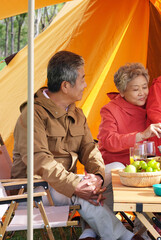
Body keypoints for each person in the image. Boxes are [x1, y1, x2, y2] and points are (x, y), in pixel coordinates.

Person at [11, 51, 140, 240]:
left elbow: (89, 148)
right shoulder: (32, 115)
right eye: (82, 78)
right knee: (81, 189)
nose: (85, 84)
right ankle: (125, 237)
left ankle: (89, 232)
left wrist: (97, 176)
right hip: (36, 188)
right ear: (65, 86)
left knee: (119, 171)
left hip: (64, 183)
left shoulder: (76, 113)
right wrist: (75, 184)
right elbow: (39, 160)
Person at [98, 62, 161, 168]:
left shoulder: (152, 106)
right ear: (121, 92)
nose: (142, 93)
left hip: (144, 165)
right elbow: (109, 141)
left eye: (144, 87)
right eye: (135, 89)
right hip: (116, 164)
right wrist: (142, 135)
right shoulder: (110, 110)